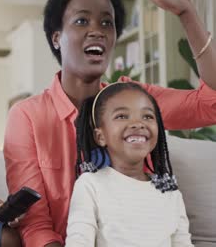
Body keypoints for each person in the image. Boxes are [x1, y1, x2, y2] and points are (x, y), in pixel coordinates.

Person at [3, 0, 216, 246]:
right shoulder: (26, 116)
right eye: (82, 20)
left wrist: (186, 12)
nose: (97, 31)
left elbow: (211, 103)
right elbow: (36, 224)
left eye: (107, 23)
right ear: (57, 37)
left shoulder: (134, 100)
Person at [66, 82, 192, 246]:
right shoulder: (90, 185)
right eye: (122, 116)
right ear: (100, 136)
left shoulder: (171, 193)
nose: (138, 123)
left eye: (147, 116)